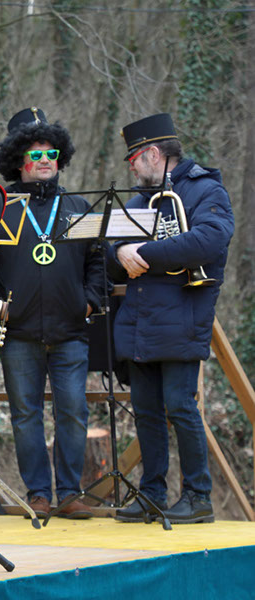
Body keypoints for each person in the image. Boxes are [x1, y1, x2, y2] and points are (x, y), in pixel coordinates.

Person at [0, 107, 103, 519]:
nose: (45, 160)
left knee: (73, 412)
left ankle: (69, 492)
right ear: (19, 160)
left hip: (71, 333)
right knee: (25, 416)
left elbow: (98, 261)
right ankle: (38, 493)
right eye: (36, 154)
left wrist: (89, 301)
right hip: (18, 334)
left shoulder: (79, 205)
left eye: (51, 153)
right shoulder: (0, 207)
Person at [111, 113, 233, 524]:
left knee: (180, 406)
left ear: (152, 154)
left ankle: (198, 496)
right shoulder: (139, 199)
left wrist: (142, 254)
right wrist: (119, 253)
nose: (131, 168)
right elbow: (111, 247)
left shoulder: (205, 189)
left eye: (133, 159)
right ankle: (152, 493)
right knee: (145, 409)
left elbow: (210, 239)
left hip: (182, 315)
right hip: (140, 320)